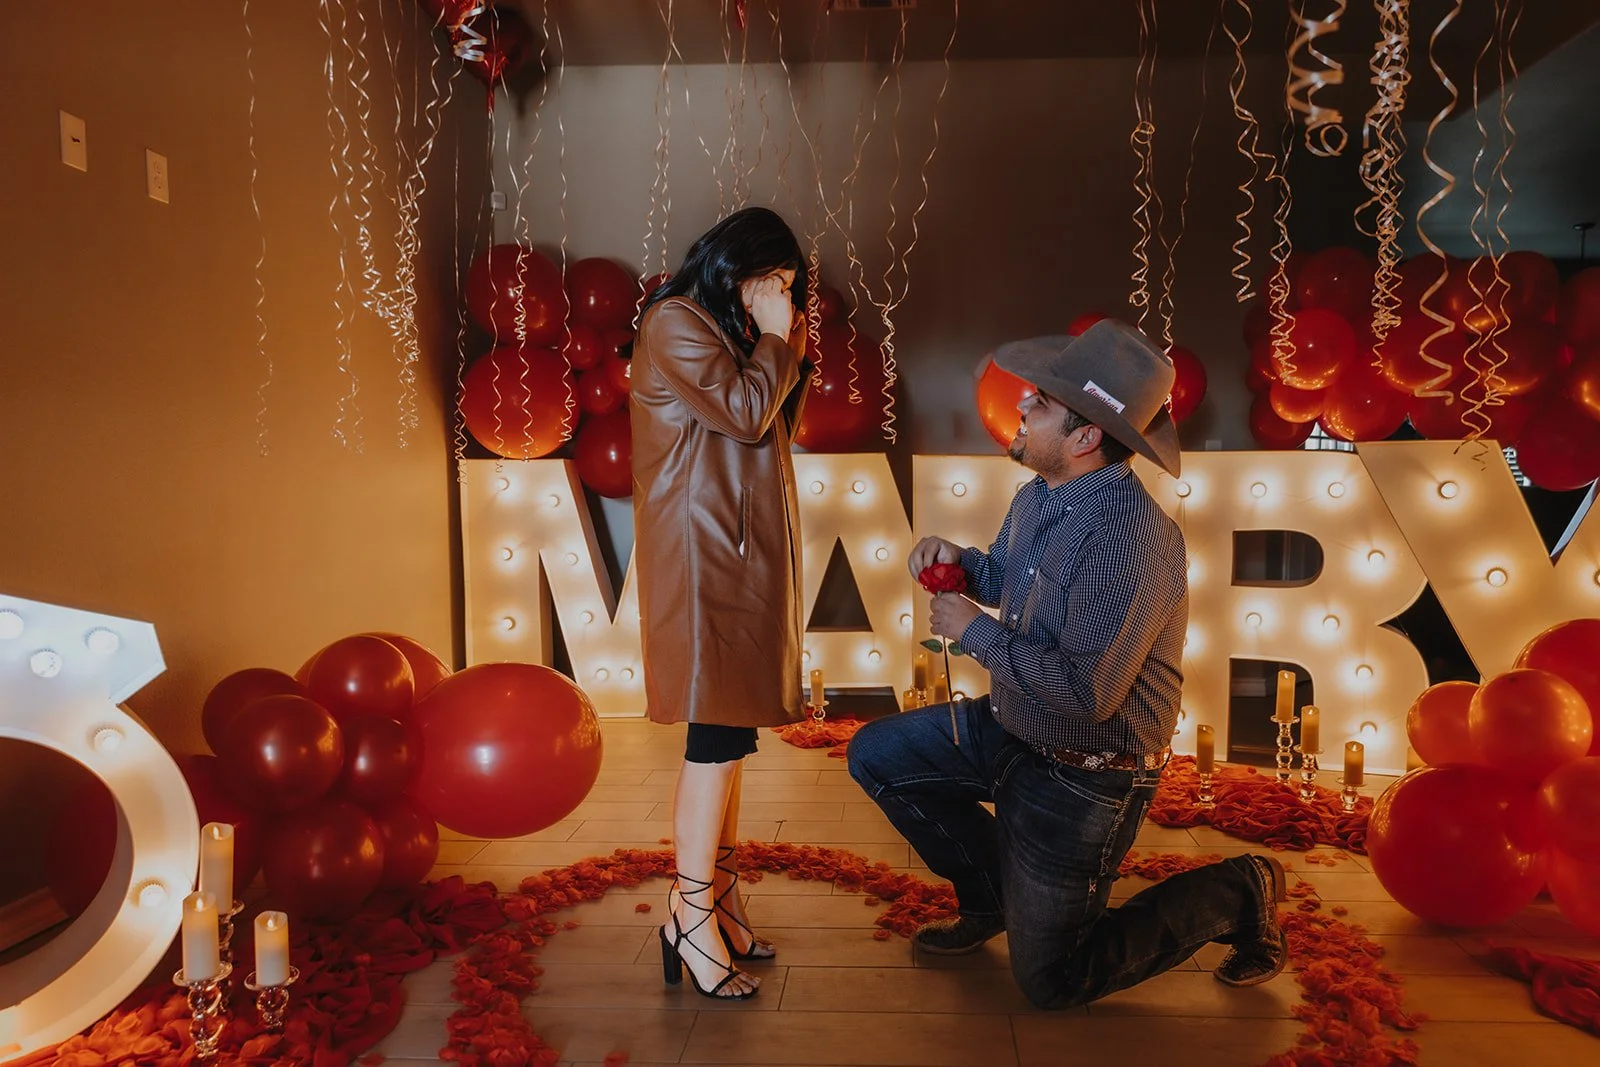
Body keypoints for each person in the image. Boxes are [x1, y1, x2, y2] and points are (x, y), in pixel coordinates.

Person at [846, 320, 1288, 1009]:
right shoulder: (1040, 494)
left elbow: (1091, 693)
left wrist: (974, 634)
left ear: (1085, 438)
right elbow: (1009, 578)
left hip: (1086, 769)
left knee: (1054, 979)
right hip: (1015, 725)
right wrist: (960, 565)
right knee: (877, 753)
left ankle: (1240, 890)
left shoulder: (1127, 534)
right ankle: (994, 897)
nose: (1021, 407)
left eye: (1041, 405)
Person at [630, 206, 810, 1001]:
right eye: (774, 283)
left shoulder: (731, 334)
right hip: (704, 561)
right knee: (713, 733)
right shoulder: (675, 321)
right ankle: (691, 914)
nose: (780, 298)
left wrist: (787, 346)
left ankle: (718, 899)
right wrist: (776, 336)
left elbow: (772, 425)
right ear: (738, 267)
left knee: (732, 734)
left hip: (737, 554)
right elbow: (742, 414)